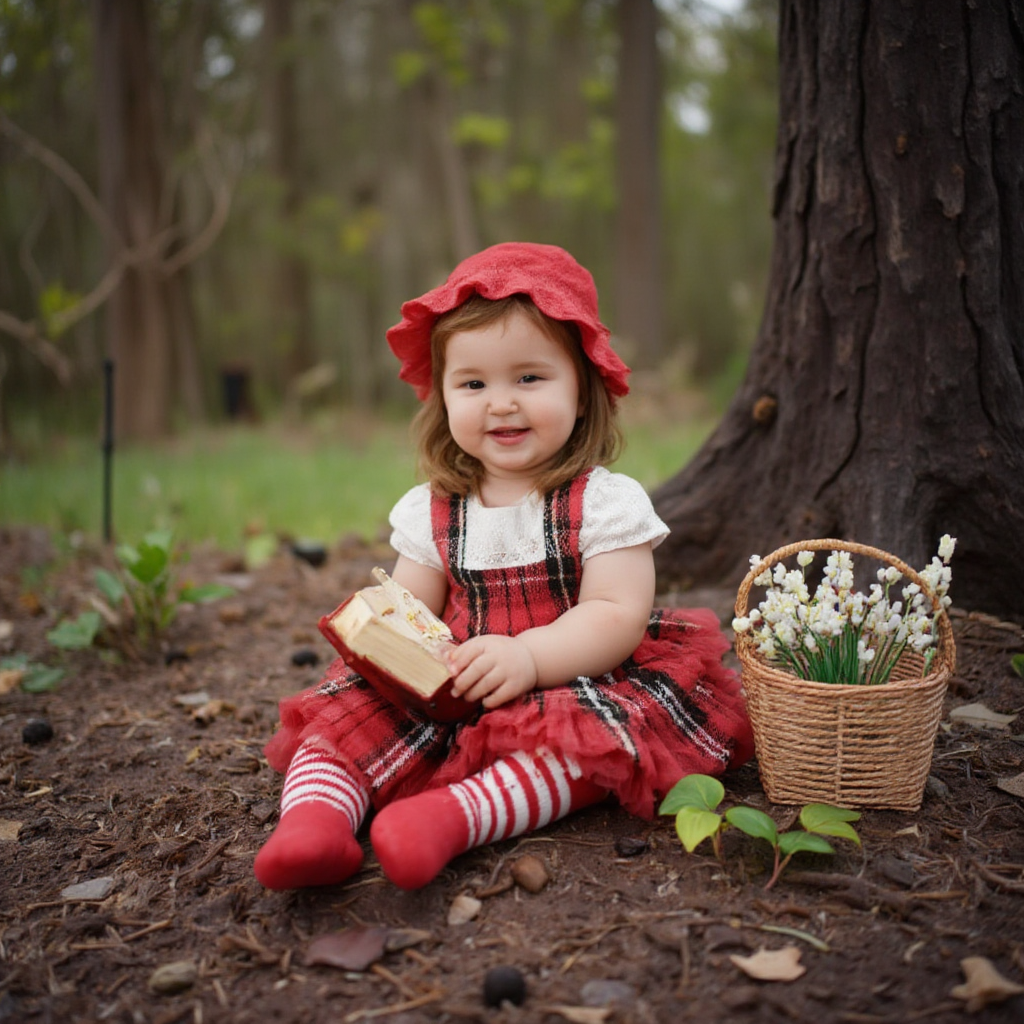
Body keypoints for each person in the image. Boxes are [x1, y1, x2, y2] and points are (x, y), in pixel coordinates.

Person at [254, 242, 754, 891]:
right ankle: (313, 823)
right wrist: (389, 642)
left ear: (582, 392)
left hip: (565, 677)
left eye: (529, 378)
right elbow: (412, 605)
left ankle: (451, 819)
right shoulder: (437, 508)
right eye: (473, 383)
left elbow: (616, 614)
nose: (501, 403)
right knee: (346, 721)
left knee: (582, 749)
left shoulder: (601, 502)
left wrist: (529, 658)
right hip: (459, 684)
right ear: (443, 397)